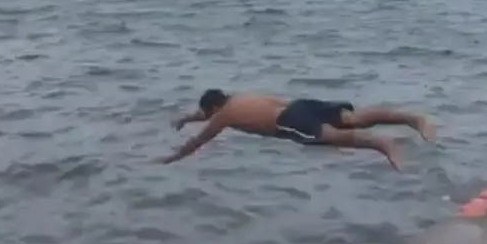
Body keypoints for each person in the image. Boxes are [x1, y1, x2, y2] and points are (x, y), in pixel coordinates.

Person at [157, 89, 436, 171]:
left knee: (337, 137)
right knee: (356, 118)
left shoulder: (224, 116)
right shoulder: (242, 98)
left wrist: (173, 158)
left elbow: (197, 142)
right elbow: (204, 114)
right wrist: (185, 118)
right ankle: (412, 119)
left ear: (215, 109)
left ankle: (386, 146)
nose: (207, 119)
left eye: (207, 115)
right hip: (301, 104)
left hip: (290, 121)